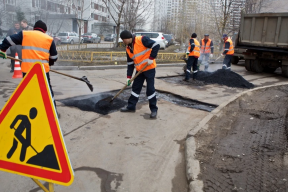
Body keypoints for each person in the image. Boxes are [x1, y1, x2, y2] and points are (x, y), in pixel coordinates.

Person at [0, 20, 59, 116]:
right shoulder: (49, 39)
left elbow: (8, 40)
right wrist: (50, 62)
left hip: (27, 71)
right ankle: (53, 114)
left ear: (35, 28)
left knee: (28, 91)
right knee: (47, 93)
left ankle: (27, 113)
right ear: (44, 30)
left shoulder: (25, 34)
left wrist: (2, 49)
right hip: (42, 71)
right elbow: (54, 57)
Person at [119, 30, 160, 119]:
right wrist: (128, 77)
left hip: (149, 68)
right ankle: (131, 107)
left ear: (128, 38)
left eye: (123, 39)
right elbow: (130, 64)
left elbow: (156, 45)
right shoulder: (128, 49)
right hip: (139, 71)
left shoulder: (142, 39)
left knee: (150, 89)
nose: (123, 42)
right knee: (135, 88)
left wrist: (151, 58)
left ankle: (154, 110)